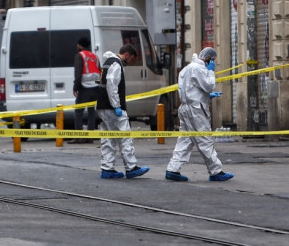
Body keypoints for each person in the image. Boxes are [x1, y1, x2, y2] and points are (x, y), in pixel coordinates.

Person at [165, 47, 234, 182]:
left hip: (185, 107)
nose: (213, 64)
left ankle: (173, 169)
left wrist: (207, 97)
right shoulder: (200, 68)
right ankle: (216, 171)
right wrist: (210, 72)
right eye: (212, 61)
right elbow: (209, 85)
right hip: (196, 109)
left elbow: (191, 89)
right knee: (205, 139)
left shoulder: (186, 69)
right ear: (209, 59)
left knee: (185, 140)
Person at [96, 44, 150, 179]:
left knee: (108, 138)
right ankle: (131, 167)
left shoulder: (107, 63)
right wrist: (117, 106)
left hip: (102, 106)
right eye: (131, 59)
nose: (130, 63)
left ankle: (107, 168)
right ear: (127, 55)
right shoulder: (116, 64)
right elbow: (111, 84)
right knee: (125, 137)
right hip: (112, 107)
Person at [69, 37, 100, 144]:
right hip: (95, 88)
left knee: (78, 112)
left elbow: (78, 73)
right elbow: (99, 71)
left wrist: (75, 87)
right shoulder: (95, 56)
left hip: (84, 88)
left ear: (79, 45)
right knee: (91, 112)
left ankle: (79, 137)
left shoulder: (80, 56)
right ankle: (90, 137)